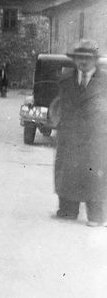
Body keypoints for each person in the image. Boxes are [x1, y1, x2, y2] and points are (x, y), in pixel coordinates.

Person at [52, 39, 107, 226]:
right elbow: (58, 105)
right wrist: (57, 125)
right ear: (74, 59)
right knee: (67, 172)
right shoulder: (65, 80)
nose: (83, 62)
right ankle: (68, 210)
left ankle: (96, 216)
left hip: (97, 137)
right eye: (79, 58)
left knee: (96, 174)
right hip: (70, 136)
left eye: (87, 58)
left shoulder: (105, 81)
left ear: (95, 60)